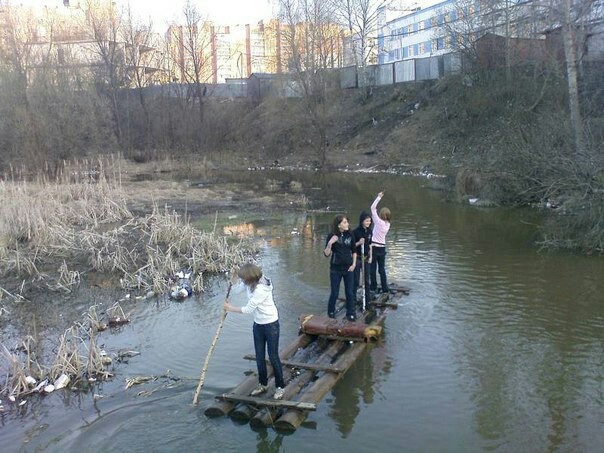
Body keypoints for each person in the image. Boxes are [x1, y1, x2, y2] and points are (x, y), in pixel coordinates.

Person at [224, 263, 285, 400]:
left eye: (243, 279)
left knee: (273, 356)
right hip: (258, 324)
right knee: (259, 356)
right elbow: (236, 290)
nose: (243, 281)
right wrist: (233, 279)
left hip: (271, 325)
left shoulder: (261, 289)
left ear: (250, 278)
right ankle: (263, 384)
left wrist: (229, 308)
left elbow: (248, 309)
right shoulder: (249, 283)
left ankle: (280, 387)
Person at [324, 214, 357, 321]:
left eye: (347, 222)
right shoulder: (332, 235)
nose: (347, 224)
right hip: (335, 269)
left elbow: (354, 251)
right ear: (339, 225)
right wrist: (330, 243)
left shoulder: (350, 234)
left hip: (349, 268)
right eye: (345, 222)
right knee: (335, 292)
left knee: (350, 292)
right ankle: (331, 312)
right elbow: (326, 254)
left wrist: (354, 264)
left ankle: (350, 313)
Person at [369, 191, 391, 294]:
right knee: (382, 269)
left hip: (374, 247)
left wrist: (378, 197)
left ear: (381, 214)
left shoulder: (378, 222)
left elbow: (373, 208)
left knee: (373, 269)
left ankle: (373, 287)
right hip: (382, 248)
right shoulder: (388, 224)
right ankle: (384, 288)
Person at [352, 211, 373, 309]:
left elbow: (370, 245)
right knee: (355, 281)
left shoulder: (369, 231)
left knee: (366, 281)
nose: (368, 223)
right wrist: (359, 243)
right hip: (357, 258)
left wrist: (371, 256)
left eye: (369, 221)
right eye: (367, 221)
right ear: (362, 221)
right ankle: (353, 300)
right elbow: (351, 247)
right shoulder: (355, 232)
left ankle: (367, 302)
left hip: (366, 258)